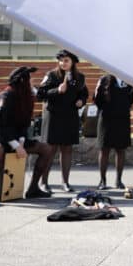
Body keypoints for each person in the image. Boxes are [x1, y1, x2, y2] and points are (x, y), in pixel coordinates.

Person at [0, 67, 53, 208]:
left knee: (46, 149)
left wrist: (21, 143)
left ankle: (33, 189)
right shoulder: (6, 96)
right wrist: (16, 145)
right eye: (30, 80)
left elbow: (24, 125)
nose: (32, 83)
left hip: (15, 137)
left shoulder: (26, 98)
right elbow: (0, 124)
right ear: (22, 81)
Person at [37, 49, 88, 193]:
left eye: (66, 60)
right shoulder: (51, 75)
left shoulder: (80, 77)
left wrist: (81, 101)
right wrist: (56, 91)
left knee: (67, 150)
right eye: (61, 60)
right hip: (53, 116)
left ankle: (65, 182)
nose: (63, 63)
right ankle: (43, 182)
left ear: (72, 62)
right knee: (50, 150)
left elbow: (84, 94)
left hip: (70, 116)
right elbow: (40, 94)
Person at [93, 74, 133, 190]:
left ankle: (119, 180)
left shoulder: (128, 80)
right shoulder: (103, 79)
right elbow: (96, 99)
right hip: (106, 118)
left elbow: (131, 99)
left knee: (121, 149)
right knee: (104, 149)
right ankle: (102, 181)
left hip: (122, 118)